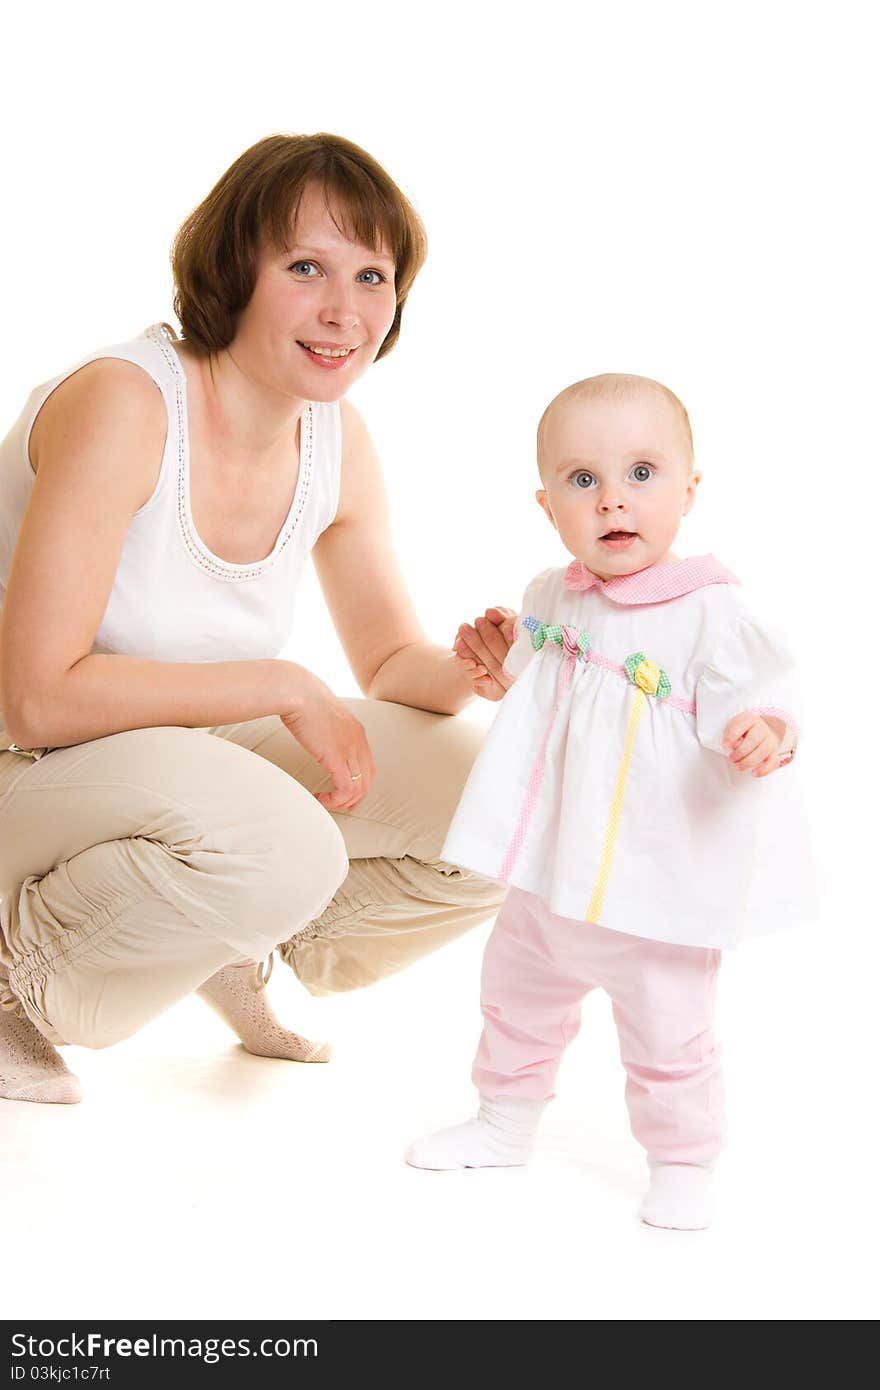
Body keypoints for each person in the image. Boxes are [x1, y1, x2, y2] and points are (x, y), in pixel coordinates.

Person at [0, 132, 506, 1106]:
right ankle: (15, 973)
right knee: (282, 844)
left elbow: (392, 655)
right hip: (26, 763)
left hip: (163, 760)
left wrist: (474, 666)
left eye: (371, 274)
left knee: (509, 800)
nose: (342, 310)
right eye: (305, 266)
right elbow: (35, 700)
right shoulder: (126, 402)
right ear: (236, 267)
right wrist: (280, 684)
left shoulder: (333, 434)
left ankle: (214, 934)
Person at [406, 373, 815, 1229]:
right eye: (583, 480)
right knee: (514, 1000)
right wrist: (497, 669)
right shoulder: (552, 597)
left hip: (653, 890)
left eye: (642, 473)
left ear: (689, 490)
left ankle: (683, 1159)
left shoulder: (711, 611)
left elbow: (763, 694)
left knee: (670, 1036)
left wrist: (764, 731)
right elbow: (543, 700)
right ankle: (503, 1122)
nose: (613, 501)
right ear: (548, 503)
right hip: (551, 877)